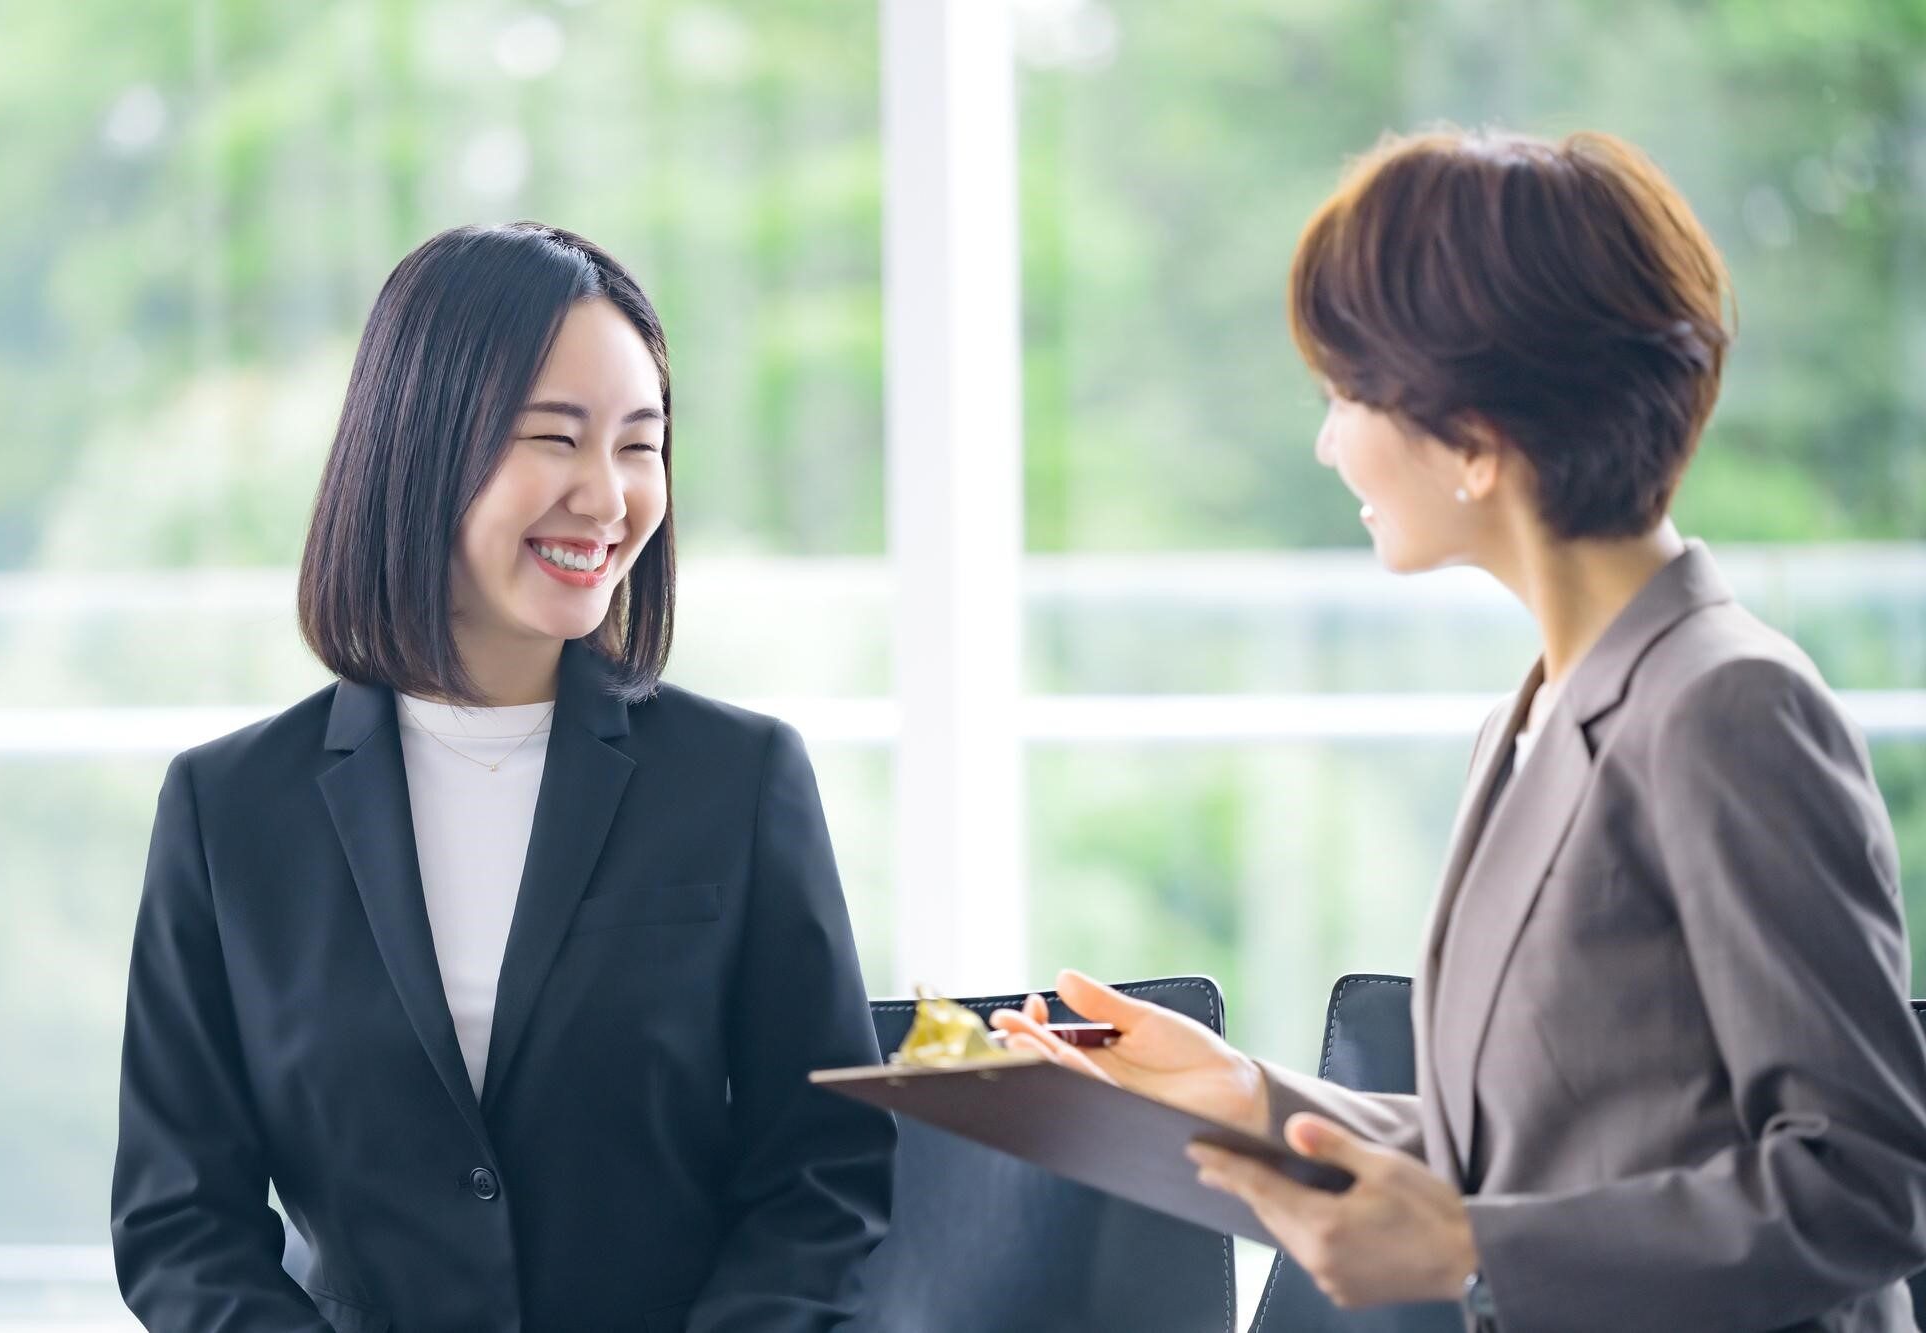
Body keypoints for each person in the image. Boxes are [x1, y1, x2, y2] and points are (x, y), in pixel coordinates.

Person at [993, 129, 1926, 1331]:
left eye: (1347, 393)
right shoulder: (1527, 716)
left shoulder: (1727, 704)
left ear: (1475, 432)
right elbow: (1543, 1154)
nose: (1330, 441)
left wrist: (1472, 1246)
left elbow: (1863, 1180)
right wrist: (1244, 1095)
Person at [112, 222, 894, 1332]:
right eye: (555, 438)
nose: (608, 495)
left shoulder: (738, 780)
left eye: (639, 444)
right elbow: (179, 1221)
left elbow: (822, 1175)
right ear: (420, 446)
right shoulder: (229, 810)